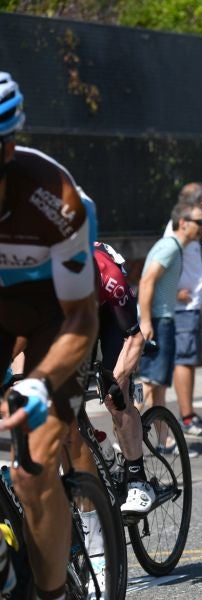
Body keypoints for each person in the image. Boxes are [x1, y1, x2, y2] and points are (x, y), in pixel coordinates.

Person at [0, 71, 99, 599]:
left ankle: (54, 592)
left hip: (53, 317)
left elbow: (82, 319)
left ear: (7, 147)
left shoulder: (54, 198)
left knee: (32, 464)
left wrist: (37, 383)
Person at [138, 201, 202, 410]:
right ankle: (124, 431)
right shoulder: (170, 246)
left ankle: (163, 440)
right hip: (158, 322)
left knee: (158, 385)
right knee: (149, 381)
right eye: (199, 222)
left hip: (163, 320)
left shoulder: (174, 247)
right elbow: (147, 280)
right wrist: (147, 321)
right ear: (183, 223)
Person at [165, 182, 202, 440]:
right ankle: (186, 417)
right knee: (183, 362)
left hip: (190, 306)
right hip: (181, 307)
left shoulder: (194, 227)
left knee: (188, 361)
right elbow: (162, 260)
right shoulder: (183, 225)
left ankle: (188, 414)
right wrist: (174, 292)